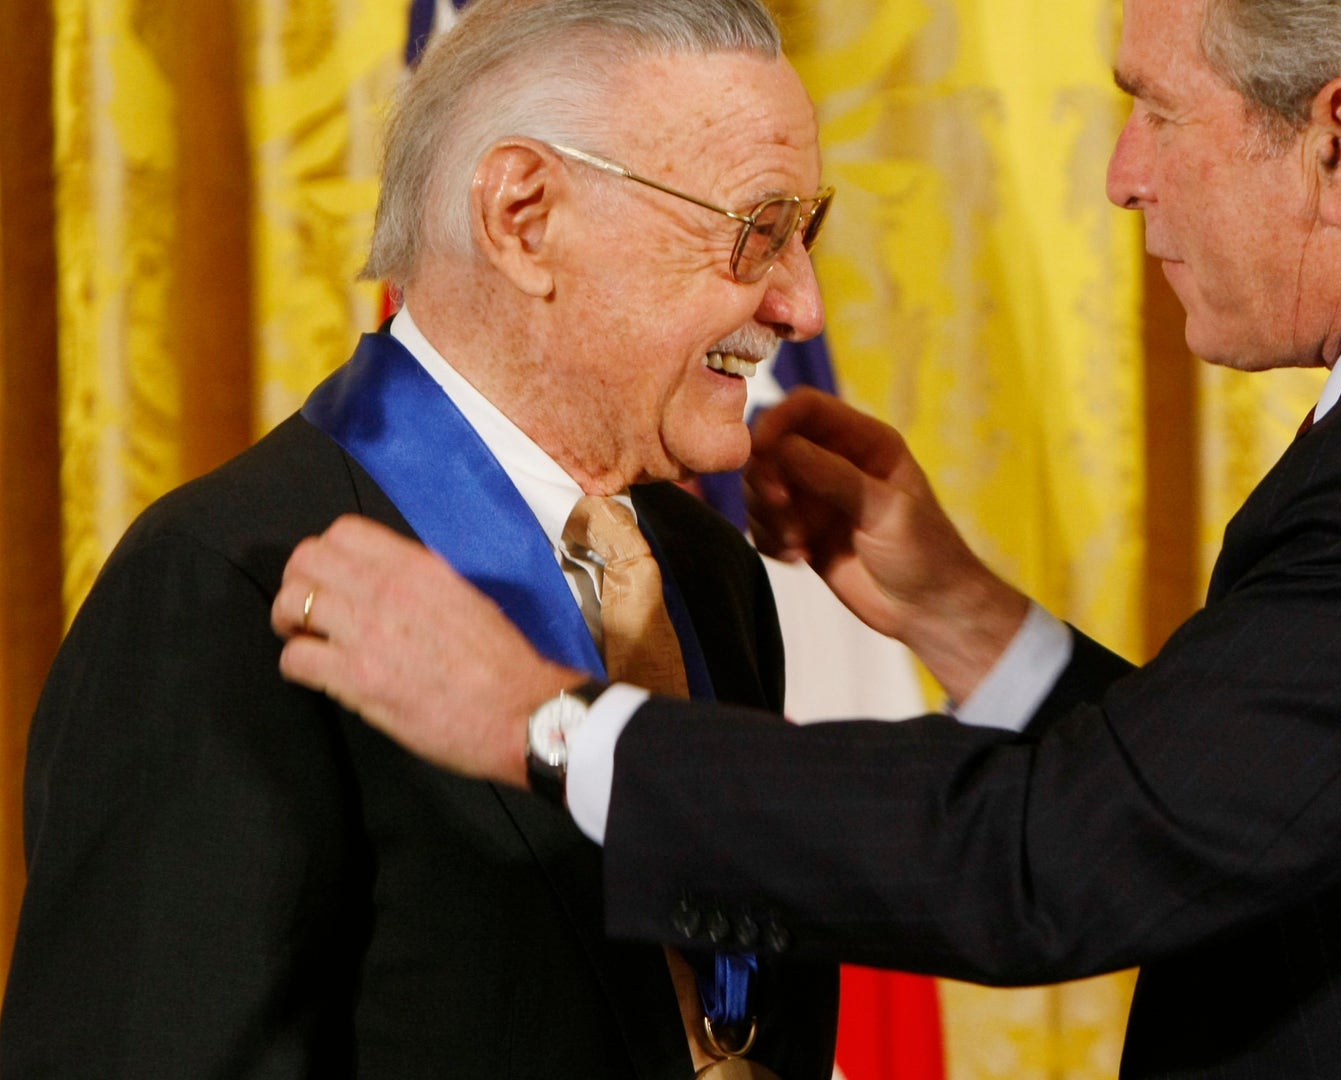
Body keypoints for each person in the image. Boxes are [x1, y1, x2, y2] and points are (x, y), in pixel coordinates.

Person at [269, 0, 1341, 1075]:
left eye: (1154, 110)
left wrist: (545, 724)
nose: (1121, 179)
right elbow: (1239, 809)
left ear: (1339, 136)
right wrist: (965, 618)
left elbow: (1063, 862)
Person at [0, 0, 839, 1076]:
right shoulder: (221, 592)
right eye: (757, 231)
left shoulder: (709, 572)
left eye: (806, 231)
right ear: (526, 218)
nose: (802, 305)